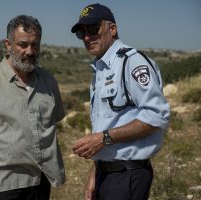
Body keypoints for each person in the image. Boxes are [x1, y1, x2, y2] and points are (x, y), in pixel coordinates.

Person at [0, 15, 66, 200]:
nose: (30, 51)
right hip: (3, 187)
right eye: (23, 44)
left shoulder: (48, 81)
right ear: (8, 44)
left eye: (35, 45)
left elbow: (51, 125)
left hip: (41, 184)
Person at [70, 4, 170, 200]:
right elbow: (107, 125)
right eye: (82, 33)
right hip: (106, 174)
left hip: (128, 175)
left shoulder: (131, 62)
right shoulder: (101, 68)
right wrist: (95, 173)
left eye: (93, 29)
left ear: (112, 29)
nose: (87, 37)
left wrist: (103, 139)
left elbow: (157, 116)